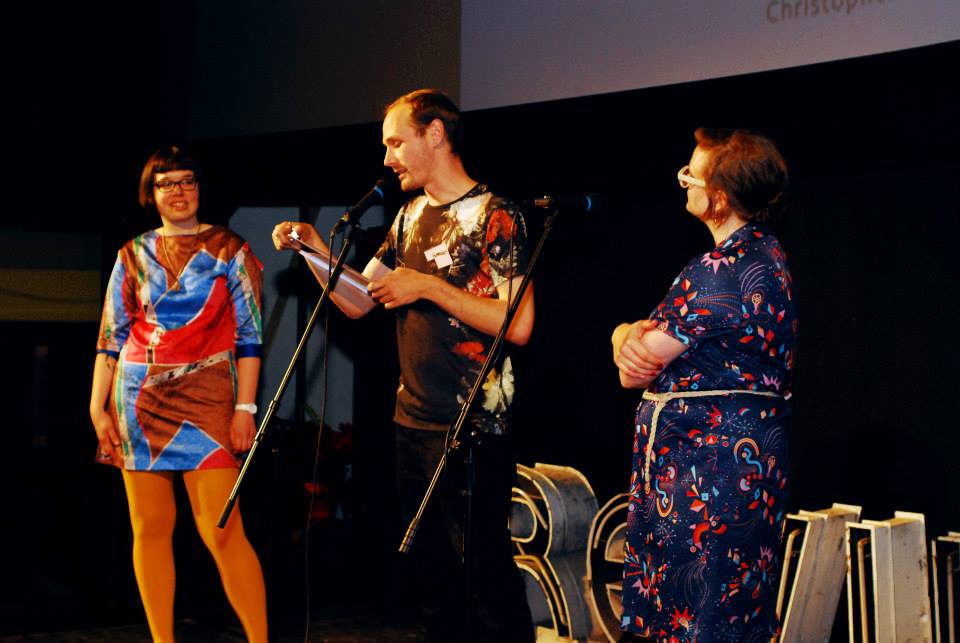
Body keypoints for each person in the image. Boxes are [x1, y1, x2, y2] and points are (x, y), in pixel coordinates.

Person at [272, 89, 535, 642]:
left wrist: (431, 287)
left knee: (483, 575)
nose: (388, 157)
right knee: (433, 577)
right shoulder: (410, 215)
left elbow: (519, 323)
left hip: (474, 426)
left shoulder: (497, 215)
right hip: (412, 420)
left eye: (396, 141)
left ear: (435, 134)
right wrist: (316, 252)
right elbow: (360, 299)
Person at [611, 128, 797, 642]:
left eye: (692, 172)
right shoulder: (767, 255)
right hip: (739, 471)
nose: (683, 180)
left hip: (704, 477)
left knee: (695, 617)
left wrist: (621, 334)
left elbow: (632, 369)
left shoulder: (717, 271)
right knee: (730, 610)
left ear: (719, 197)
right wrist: (626, 333)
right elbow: (642, 346)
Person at [89, 146, 268, 643]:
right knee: (149, 529)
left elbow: (250, 338)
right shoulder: (131, 253)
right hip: (138, 398)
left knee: (222, 529)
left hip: (211, 396)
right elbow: (112, 336)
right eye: (167, 183)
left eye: (187, 181)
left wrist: (245, 408)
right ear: (152, 194)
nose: (179, 191)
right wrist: (96, 404)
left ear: (199, 188)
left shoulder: (231, 249)